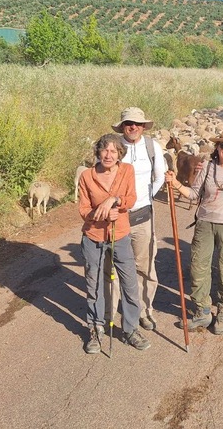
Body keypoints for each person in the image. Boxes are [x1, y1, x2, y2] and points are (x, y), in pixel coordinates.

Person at [166, 128, 223, 335]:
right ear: (217, 147)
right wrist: (175, 183)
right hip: (204, 223)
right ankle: (202, 310)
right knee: (198, 267)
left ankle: (222, 310)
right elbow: (194, 193)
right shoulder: (208, 167)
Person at [78, 133, 150, 353]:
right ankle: (96, 329)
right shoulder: (87, 176)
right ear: (98, 152)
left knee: (129, 283)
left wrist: (114, 200)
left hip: (120, 235)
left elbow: (131, 199)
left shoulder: (126, 170)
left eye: (113, 151)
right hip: (93, 237)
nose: (108, 155)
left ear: (120, 154)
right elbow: (83, 210)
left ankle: (130, 329)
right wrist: (102, 215)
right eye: (104, 150)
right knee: (95, 284)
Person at [111, 107, 167, 331]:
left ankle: (144, 310)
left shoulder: (152, 147)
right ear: (122, 127)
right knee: (113, 268)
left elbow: (160, 176)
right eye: (128, 124)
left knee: (144, 266)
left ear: (143, 126)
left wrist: (145, 197)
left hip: (143, 215)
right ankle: (112, 312)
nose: (132, 127)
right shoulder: (113, 148)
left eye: (137, 124)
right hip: (117, 217)